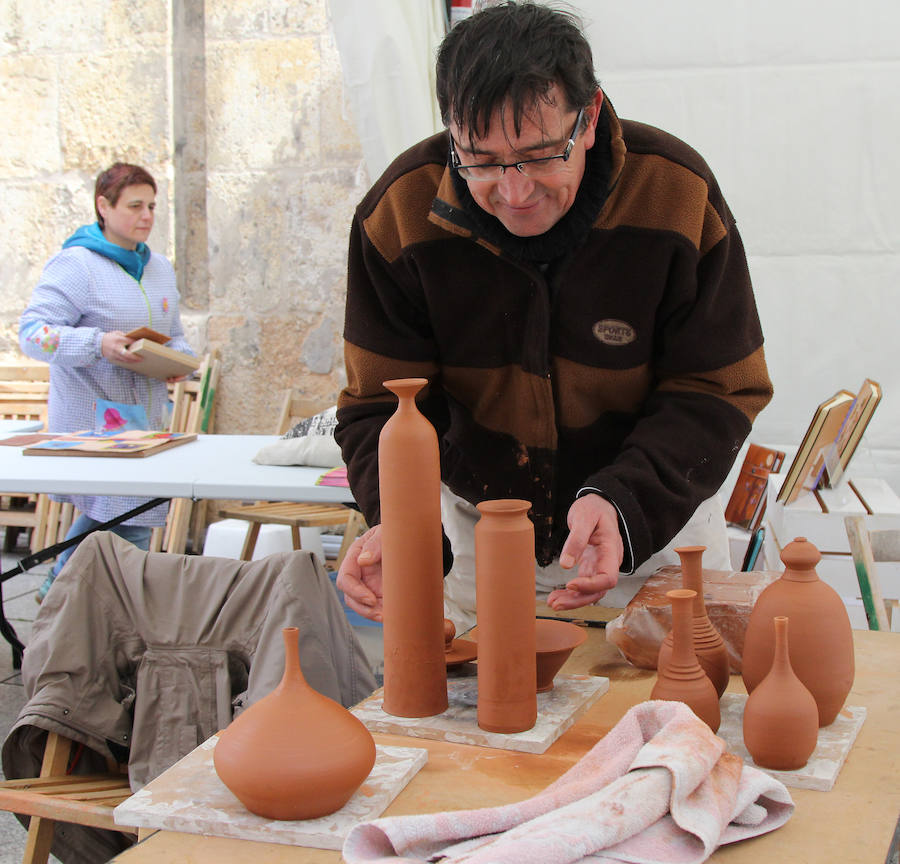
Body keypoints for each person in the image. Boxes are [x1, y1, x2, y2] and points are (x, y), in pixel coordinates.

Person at [335, 2, 773, 633]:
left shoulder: (674, 193)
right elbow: (379, 405)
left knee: (664, 716)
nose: (513, 192)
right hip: (479, 544)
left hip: (653, 534)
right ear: (450, 131)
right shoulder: (400, 213)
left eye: (541, 155)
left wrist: (623, 504)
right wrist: (398, 528)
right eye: (480, 160)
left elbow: (719, 386)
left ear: (588, 117)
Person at [19, 162, 195, 602]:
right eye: (135, 205)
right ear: (103, 205)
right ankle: (69, 599)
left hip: (147, 420)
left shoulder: (159, 268)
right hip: (94, 421)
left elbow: (174, 333)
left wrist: (181, 360)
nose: (147, 215)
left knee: (130, 511)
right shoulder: (75, 264)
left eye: (152, 205)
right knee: (127, 515)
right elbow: (33, 334)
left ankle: (59, 590)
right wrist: (99, 344)